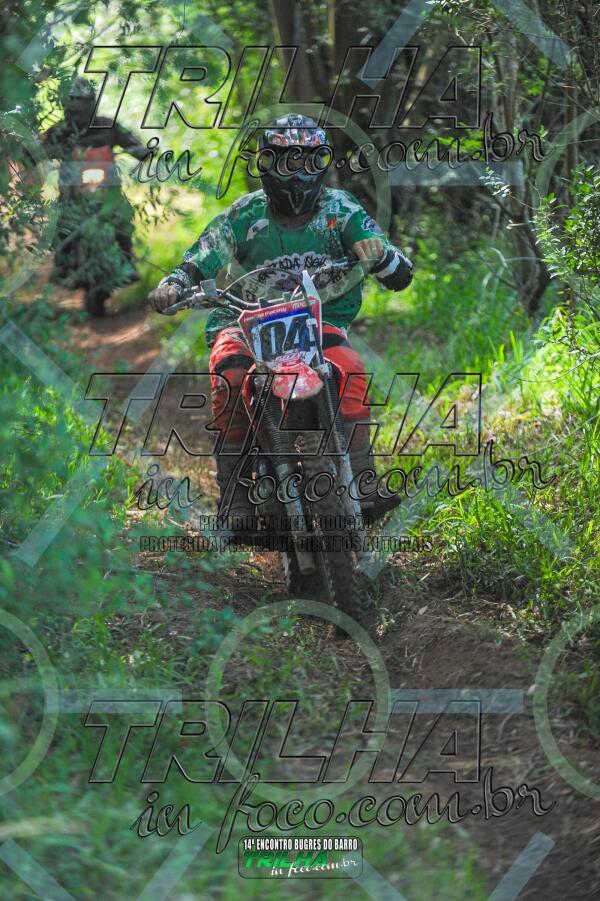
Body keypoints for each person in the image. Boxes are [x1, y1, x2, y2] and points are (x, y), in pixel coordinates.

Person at [149, 113, 413, 519]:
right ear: (267, 163)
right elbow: (203, 254)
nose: (299, 173)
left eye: (309, 161)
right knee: (231, 375)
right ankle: (235, 497)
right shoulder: (244, 215)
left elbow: (383, 253)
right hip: (243, 322)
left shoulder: (340, 210)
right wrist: (177, 281)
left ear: (323, 163)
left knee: (349, 368)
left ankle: (362, 481)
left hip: (316, 323)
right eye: (288, 161)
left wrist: (380, 256)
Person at [41, 76, 147, 297]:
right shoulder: (59, 130)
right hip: (72, 193)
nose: (77, 105)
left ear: (91, 101)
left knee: (122, 218)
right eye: (72, 100)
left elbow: (130, 141)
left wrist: (140, 150)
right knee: (60, 225)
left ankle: (127, 263)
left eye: (81, 100)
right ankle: (62, 267)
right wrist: (36, 154)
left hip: (108, 191)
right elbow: (39, 151)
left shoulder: (107, 125)